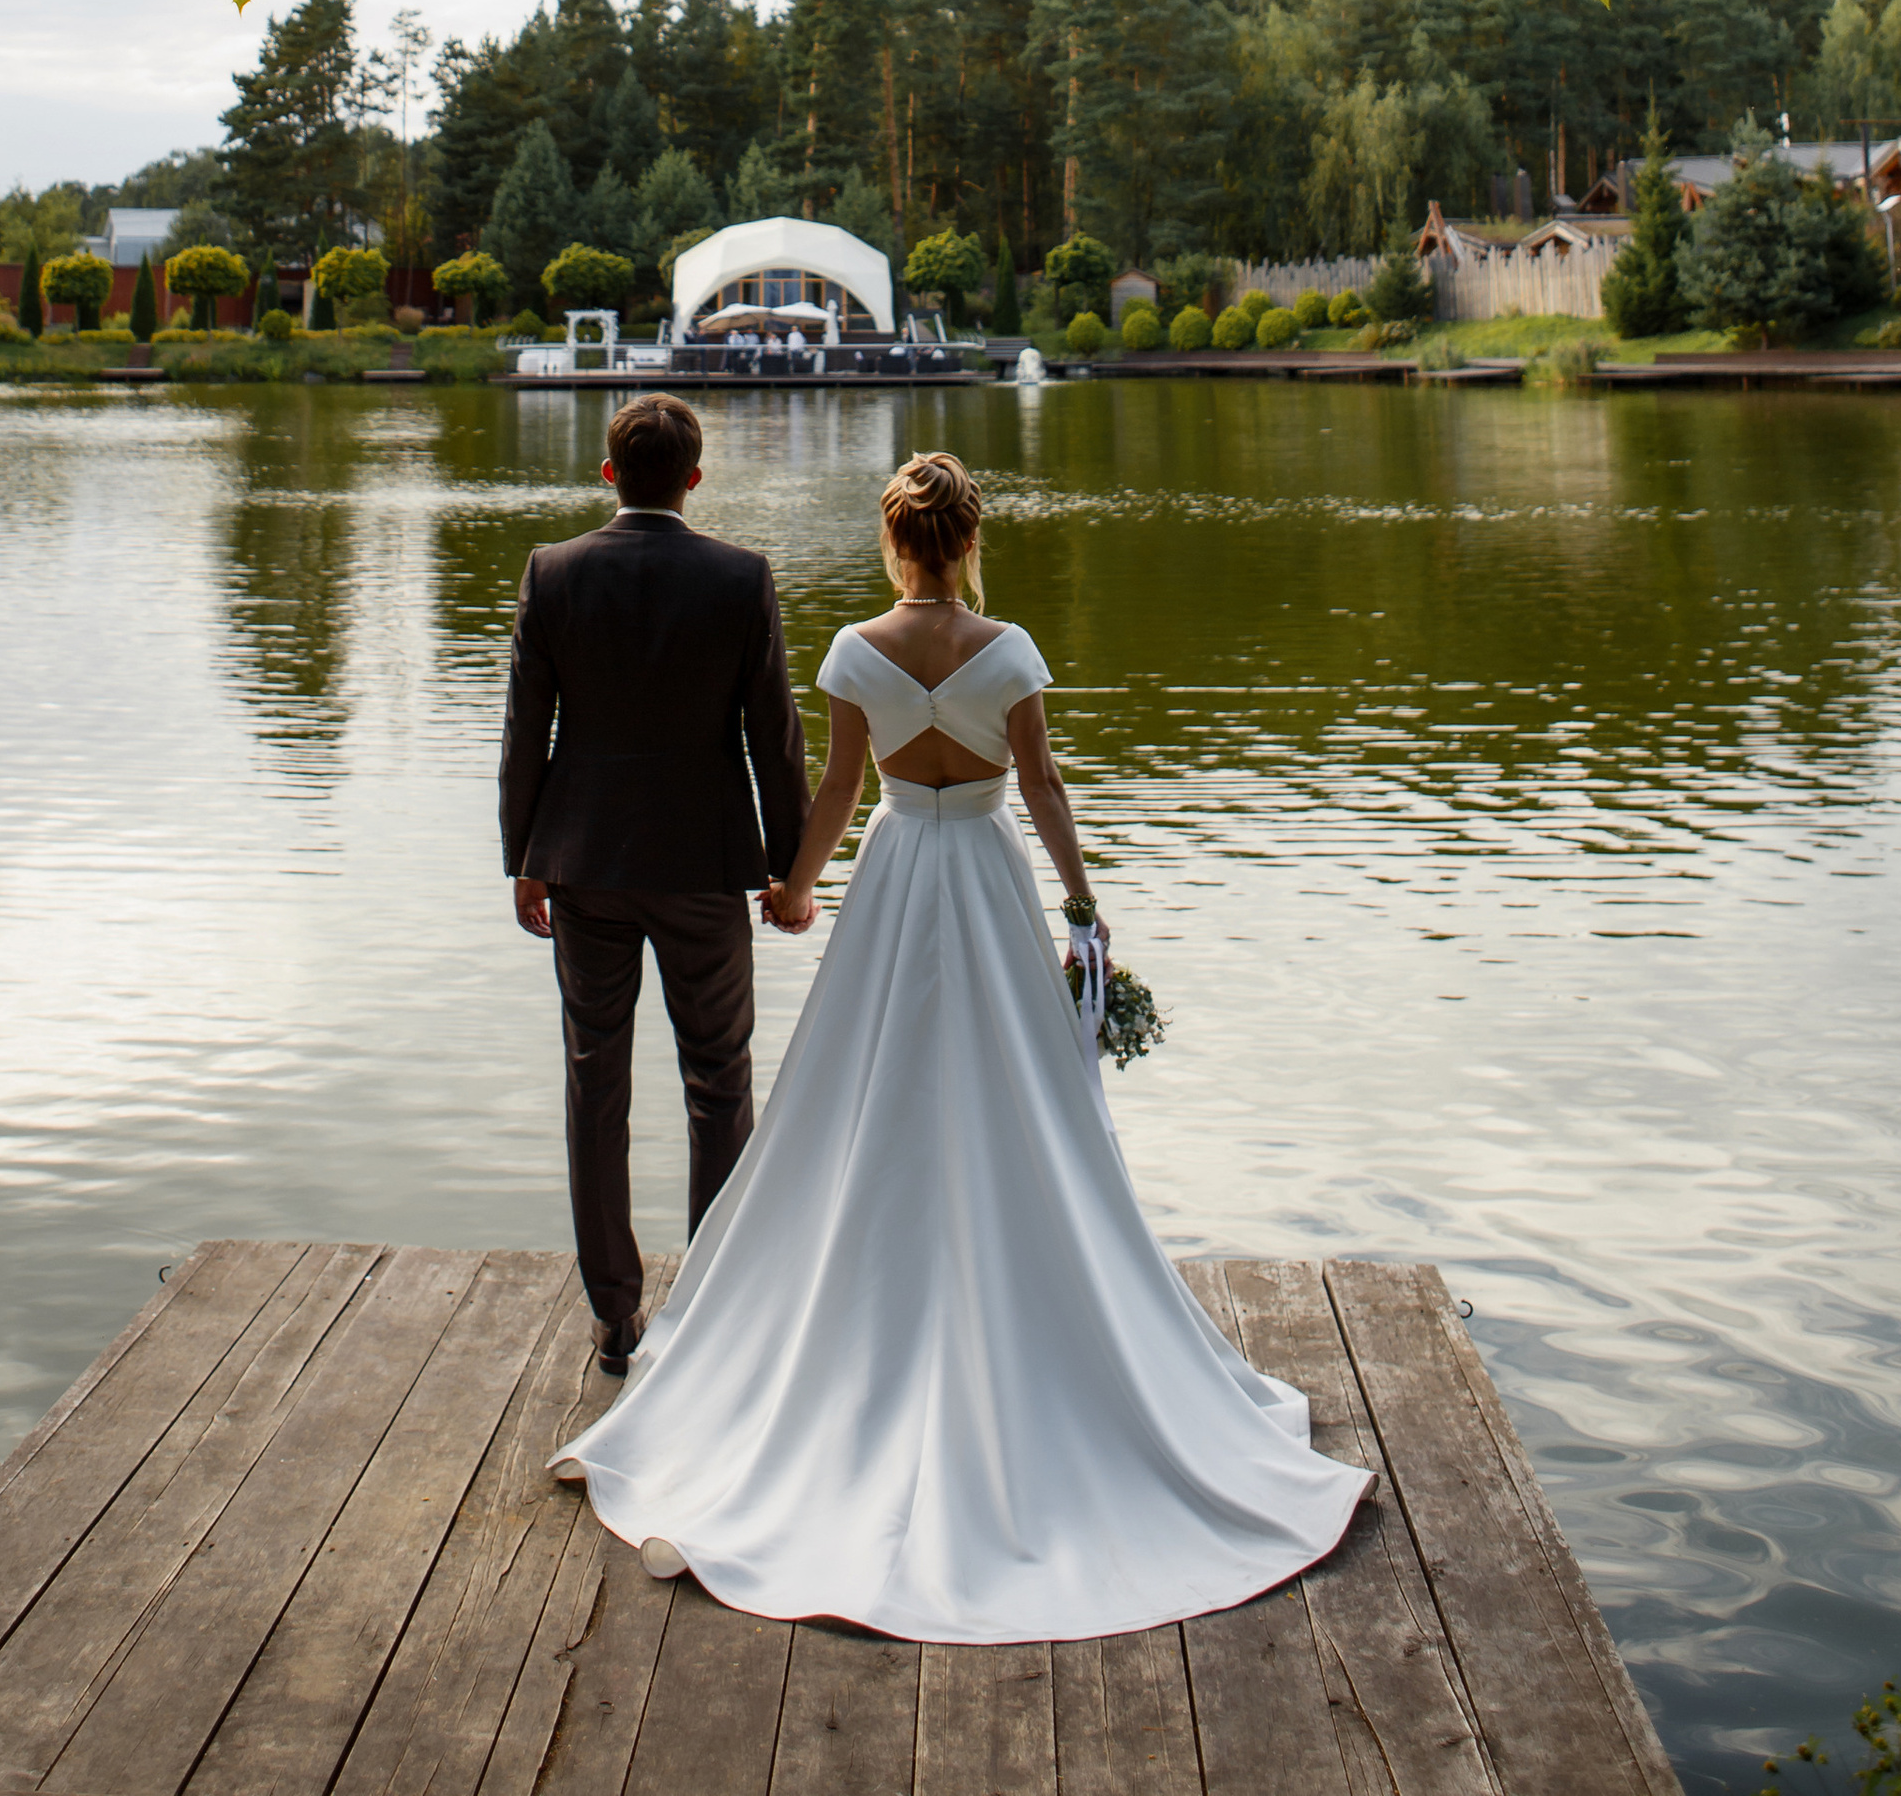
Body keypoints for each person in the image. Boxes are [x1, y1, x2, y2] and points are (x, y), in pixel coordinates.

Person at [554, 449, 1368, 1642]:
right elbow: (1040, 783)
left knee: (867, 1093)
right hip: (986, 879)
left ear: (894, 543)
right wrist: (1082, 903)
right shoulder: (1010, 651)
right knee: (1019, 1100)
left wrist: (794, 888)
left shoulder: (853, 653)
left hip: (896, 877)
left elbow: (841, 789)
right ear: (969, 542)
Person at [500, 391, 810, 1374]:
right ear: (694, 479)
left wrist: (525, 857)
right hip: (703, 866)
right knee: (719, 1081)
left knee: (595, 1082)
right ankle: (714, 1305)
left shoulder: (553, 572)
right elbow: (774, 734)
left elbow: (526, 730)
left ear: (609, 474)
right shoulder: (739, 576)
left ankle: (614, 1313)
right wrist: (790, 868)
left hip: (584, 862)